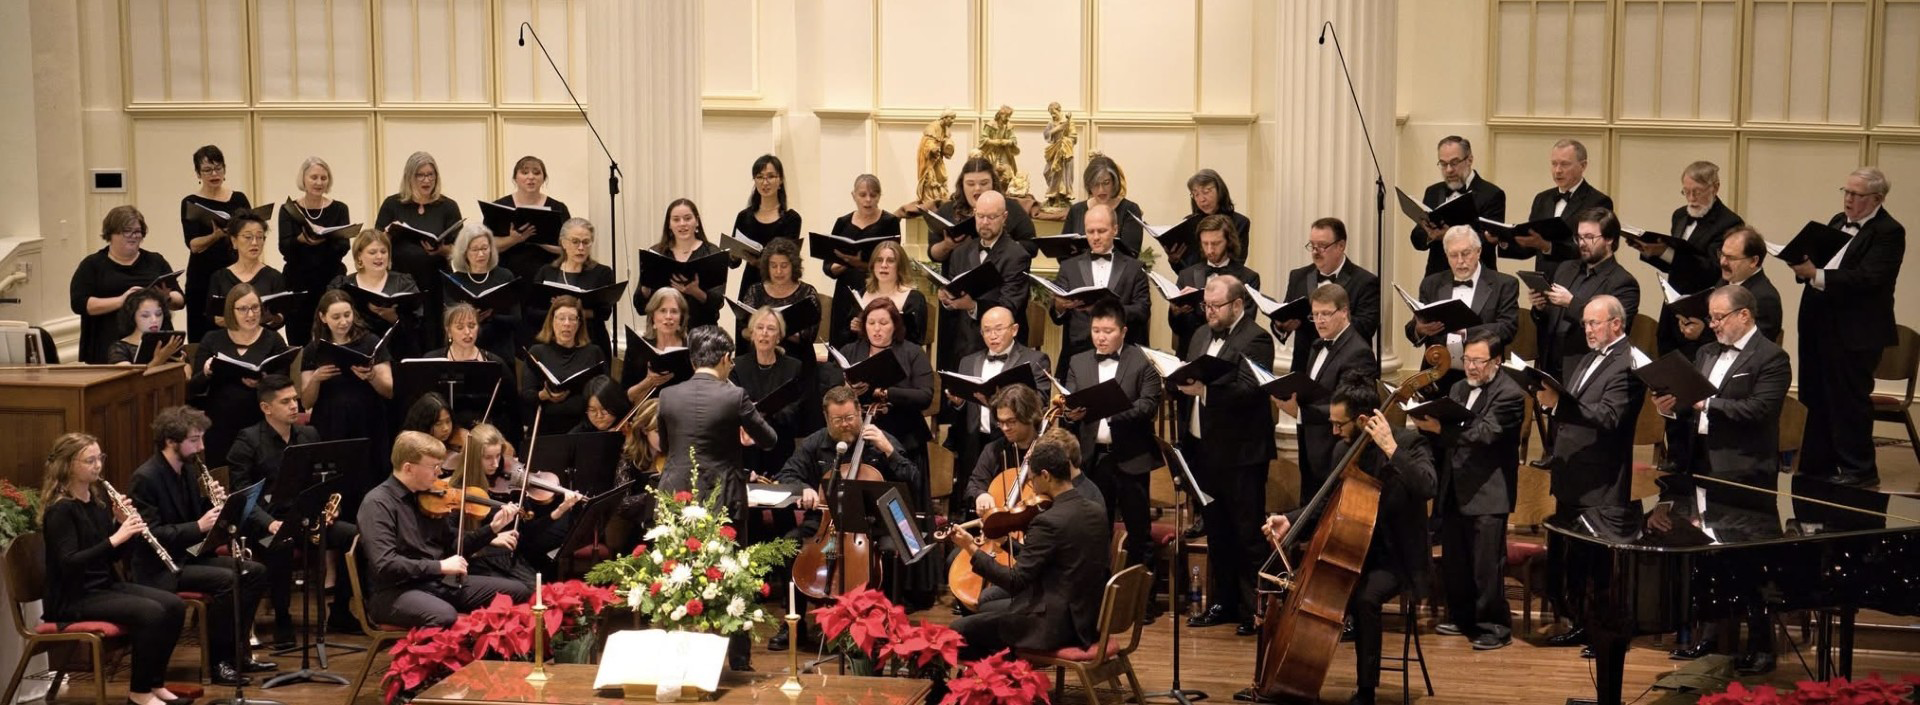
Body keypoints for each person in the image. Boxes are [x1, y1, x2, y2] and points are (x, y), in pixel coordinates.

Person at [1261, 372, 1436, 705]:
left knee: (1365, 598)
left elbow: (1427, 486)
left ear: (1362, 419)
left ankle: (1366, 690)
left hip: (1398, 558)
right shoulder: (1343, 450)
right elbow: (1327, 502)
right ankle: (1294, 677)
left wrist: (1391, 449)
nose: (1334, 431)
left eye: (1339, 424)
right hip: (1356, 551)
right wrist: (1291, 520)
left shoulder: (1411, 444)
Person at [1650, 285, 1791, 673]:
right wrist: (1670, 406)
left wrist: (1707, 402)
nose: (1711, 325)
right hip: (1702, 465)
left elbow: (1761, 410)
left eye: (1718, 317)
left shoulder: (1772, 357)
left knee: (1750, 562)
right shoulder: (1707, 352)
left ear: (1744, 315)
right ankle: (1708, 636)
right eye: (1710, 317)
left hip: (1745, 473)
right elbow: (1690, 406)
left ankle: (1762, 646)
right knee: (1707, 555)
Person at [1529, 295, 1647, 649]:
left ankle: (1605, 635)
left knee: (1600, 564)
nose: (1588, 329)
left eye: (1594, 323)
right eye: (1584, 324)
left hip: (1601, 478)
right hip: (1573, 474)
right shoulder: (1587, 358)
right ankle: (1582, 624)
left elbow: (1610, 417)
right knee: (1575, 561)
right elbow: (1576, 406)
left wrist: (1559, 404)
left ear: (1616, 324)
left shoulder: (1629, 364)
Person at [38, 433, 190, 705]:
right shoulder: (60, 511)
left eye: (100, 458)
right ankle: (139, 693)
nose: (98, 465)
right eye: (90, 460)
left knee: (174, 605)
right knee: (151, 612)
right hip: (73, 597)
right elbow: (69, 563)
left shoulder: (95, 503)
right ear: (69, 465)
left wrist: (123, 529)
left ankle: (155, 683)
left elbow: (112, 557)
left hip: (103, 586)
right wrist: (115, 537)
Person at [127, 406, 274, 685]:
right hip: (159, 568)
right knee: (228, 580)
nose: (201, 446)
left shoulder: (187, 470)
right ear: (171, 441)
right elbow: (150, 533)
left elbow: (197, 518)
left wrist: (216, 504)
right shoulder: (146, 478)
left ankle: (238, 654)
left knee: (254, 572)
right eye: (194, 440)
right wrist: (199, 525)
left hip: (187, 557)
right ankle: (219, 662)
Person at [770, 384, 920, 649]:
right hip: (826, 526)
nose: (846, 425)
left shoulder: (879, 439)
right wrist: (803, 488)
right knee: (788, 546)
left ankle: (882, 623)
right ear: (827, 418)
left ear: (860, 413)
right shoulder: (816, 443)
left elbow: (914, 480)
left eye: (850, 418)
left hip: (874, 525)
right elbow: (786, 475)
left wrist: (889, 451)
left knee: (892, 552)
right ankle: (794, 622)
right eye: (838, 420)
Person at [941, 439, 1110, 661]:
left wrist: (971, 548)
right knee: (989, 608)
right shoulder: (1095, 510)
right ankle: (1008, 679)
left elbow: (1014, 580)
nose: (1030, 483)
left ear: (1046, 475)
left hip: (1053, 627)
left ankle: (998, 687)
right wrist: (1003, 542)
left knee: (958, 630)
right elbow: (1047, 558)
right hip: (1086, 619)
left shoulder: (1049, 521)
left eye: (1032, 478)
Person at [1409, 329, 1525, 651]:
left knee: (1486, 566)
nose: (1471, 367)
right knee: (1456, 561)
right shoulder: (1459, 387)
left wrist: (1441, 429)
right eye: (1467, 359)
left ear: (1497, 361)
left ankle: (1494, 626)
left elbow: (1485, 434)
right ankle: (1461, 617)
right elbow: (1452, 431)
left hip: (1489, 491)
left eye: (1479, 361)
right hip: (1456, 486)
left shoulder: (1510, 394)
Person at [1790, 167, 1905, 489]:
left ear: (1878, 199)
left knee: (1848, 399)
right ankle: (1816, 464)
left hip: (1856, 330)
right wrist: (1802, 266)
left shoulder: (1889, 231)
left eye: (1857, 195)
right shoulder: (1837, 222)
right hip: (1818, 323)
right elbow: (1817, 263)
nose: (1849, 199)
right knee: (1814, 394)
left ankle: (1860, 469)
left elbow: (1870, 278)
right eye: (1846, 192)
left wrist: (1815, 274)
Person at [228, 375, 361, 644]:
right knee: (282, 543)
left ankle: (340, 610)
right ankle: (282, 617)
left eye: (295, 399)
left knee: (355, 536)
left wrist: (328, 506)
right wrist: (269, 523)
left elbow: (325, 478)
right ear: (266, 408)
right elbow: (242, 496)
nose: (294, 406)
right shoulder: (248, 441)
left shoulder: (308, 434)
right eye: (285, 401)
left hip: (305, 516)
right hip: (264, 524)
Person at [1177, 278, 1274, 633]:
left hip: (1242, 454)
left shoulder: (1256, 338)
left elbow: (1251, 388)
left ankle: (1255, 611)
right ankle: (1224, 602)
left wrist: (1204, 390)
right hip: (1204, 451)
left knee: (1247, 535)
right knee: (1217, 532)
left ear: (1237, 304)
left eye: (1215, 306)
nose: (1209, 312)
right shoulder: (1201, 335)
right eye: (1206, 305)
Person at [357, 430, 530, 628]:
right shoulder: (378, 503)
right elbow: (385, 565)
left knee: (518, 591)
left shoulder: (428, 497)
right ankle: (426, 658)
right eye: (434, 467)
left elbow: (453, 544)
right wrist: (439, 567)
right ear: (408, 468)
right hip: (394, 592)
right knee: (444, 616)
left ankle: (487, 651)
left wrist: (492, 529)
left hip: (435, 583)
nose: (440, 473)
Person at [1058, 300, 1160, 536]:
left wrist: (1110, 407)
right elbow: (1069, 400)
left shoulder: (1143, 360)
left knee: (1138, 529)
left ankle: (1140, 571)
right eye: (1096, 331)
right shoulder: (1078, 361)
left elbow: (1148, 405)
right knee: (1093, 528)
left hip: (1131, 457)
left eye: (1108, 331)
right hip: (1092, 459)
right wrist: (1070, 413)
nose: (1100, 338)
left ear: (1123, 331)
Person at [657, 325, 778, 522]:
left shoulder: (667, 395)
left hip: (675, 492)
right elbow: (769, 439)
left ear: (692, 360)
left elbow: (665, 446)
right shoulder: (736, 396)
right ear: (725, 359)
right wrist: (748, 436)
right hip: (722, 495)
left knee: (676, 552)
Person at [1628, 161, 1744, 355]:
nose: (1691, 198)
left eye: (1697, 192)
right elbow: (1675, 265)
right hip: (1672, 307)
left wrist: (1665, 252)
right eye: (1686, 191)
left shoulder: (1729, 222)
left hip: (1701, 310)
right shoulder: (1680, 216)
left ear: (1715, 187)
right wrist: (1651, 251)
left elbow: (1712, 269)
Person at [830, 299, 936, 505]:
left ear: (895, 325)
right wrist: (848, 390)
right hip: (860, 435)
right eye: (871, 323)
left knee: (904, 499)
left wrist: (885, 393)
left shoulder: (912, 352)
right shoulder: (850, 351)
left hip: (904, 434)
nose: (877, 329)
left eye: (883, 323)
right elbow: (830, 393)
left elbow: (925, 395)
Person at [299, 289, 396, 509]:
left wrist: (371, 376)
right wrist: (315, 379)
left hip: (367, 419)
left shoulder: (370, 341)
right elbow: (306, 402)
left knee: (370, 477)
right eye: (336, 317)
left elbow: (389, 390)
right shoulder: (314, 349)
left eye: (347, 315)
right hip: (331, 423)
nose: (343, 322)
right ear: (323, 318)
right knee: (337, 483)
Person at [941, 306, 1050, 501]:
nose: (993, 335)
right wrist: (958, 403)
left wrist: (996, 404)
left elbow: (1040, 403)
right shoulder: (968, 361)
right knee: (976, 498)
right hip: (974, 440)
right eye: (987, 330)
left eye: (999, 329)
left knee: (1011, 498)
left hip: (1013, 443)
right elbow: (962, 411)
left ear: (1014, 329)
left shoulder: (1035, 360)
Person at [1282, 284, 1379, 498]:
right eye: (1315, 314)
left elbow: (1351, 409)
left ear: (1344, 312)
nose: (1319, 320)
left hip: (1334, 449)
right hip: (1311, 444)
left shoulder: (1358, 352)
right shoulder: (1318, 344)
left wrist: (1299, 413)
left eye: (1326, 313)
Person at [459, 422, 584, 584]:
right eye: (488, 458)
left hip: (508, 554)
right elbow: (451, 536)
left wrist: (560, 510)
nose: (496, 464)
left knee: (539, 582)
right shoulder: (460, 487)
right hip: (479, 556)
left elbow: (527, 531)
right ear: (474, 457)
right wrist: (490, 538)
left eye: (498, 456)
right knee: (531, 588)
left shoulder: (508, 485)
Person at [1405, 226, 1521, 392]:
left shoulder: (1504, 284)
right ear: (1446, 255)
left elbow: (1507, 328)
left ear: (1478, 251)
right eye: (1453, 255)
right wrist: (1420, 330)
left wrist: (1465, 332)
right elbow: (1412, 330)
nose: (1460, 261)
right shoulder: (1431, 284)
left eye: (1466, 253)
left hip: (1484, 379)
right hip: (1438, 377)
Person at [928, 189, 1034, 370]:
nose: (985, 223)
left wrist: (972, 306)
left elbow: (1009, 306)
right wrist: (948, 299)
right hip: (965, 347)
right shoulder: (960, 252)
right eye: (980, 216)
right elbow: (954, 296)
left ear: (1004, 217)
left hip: (1003, 350)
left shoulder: (1017, 256)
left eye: (992, 217)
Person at [189, 283, 292, 467]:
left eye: (255, 308)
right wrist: (206, 372)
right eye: (243, 309)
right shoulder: (212, 339)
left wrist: (262, 382)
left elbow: (283, 382)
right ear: (231, 311)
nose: (250, 314)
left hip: (260, 423)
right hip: (220, 424)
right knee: (223, 479)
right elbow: (193, 389)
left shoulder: (273, 340)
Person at [1531, 207, 1640, 380]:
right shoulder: (1565, 268)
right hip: (1549, 363)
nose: (1582, 243)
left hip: (1585, 370)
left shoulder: (1623, 283)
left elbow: (1613, 331)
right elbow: (1550, 320)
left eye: (1589, 237)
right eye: (1579, 237)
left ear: (1609, 239)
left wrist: (1571, 303)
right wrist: (1539, 308)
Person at [1048, 203, 1152, 376]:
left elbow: (1142, 311)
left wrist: (1109, 311)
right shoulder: (1069, 267)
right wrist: (1059, 306)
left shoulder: (1134, 268)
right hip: (1078, 353)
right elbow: (1057, 318)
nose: (1095, 237)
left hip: (1124, 355)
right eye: (1090, 231)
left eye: (1102, 231)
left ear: (1115, 230)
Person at [70, 205, 184, 364]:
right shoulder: (92, 265)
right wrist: (122, 301)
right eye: (126, 231)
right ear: (111, 234)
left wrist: (165, 297)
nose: (133, 236)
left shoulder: (155, 261)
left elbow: (180, 300)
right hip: (108, 340)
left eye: (137, 232)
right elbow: (79, 304)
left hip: (153, 342)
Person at [375, 151, 463, 346]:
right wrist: (388, 234)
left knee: (433, 335)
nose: (426, 180)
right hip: (401, 282)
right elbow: (375, 243)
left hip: (435, 282)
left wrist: (441, 250)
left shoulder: (447, 206)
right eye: (420, 175)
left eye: (431, 174)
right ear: (409, 177)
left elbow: (460, 251)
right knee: (405, 337)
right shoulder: (393, 204)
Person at [1275, 218, 1380, 375]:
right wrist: (1282, 326)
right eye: (1312, 245)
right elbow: (1286, 313)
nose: (1315, 251)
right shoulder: (1298, 276)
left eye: (1322, 246)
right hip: (1303, 369)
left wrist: (1325, 320)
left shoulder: (1365, 281)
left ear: (1341, 246)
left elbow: (1365, 327)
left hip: (1345, 368)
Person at [1496, 138, 1614, 273]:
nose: (1557, 170)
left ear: (1583, 166)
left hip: (1578, 283)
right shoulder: (1542, 199)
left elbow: (1594, 249)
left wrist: (1548, 246)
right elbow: (1531, 246)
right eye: (1554, 164)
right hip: (1544, 283)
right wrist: (1503, 239)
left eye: (1565, 164)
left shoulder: (1598, 201)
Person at [423, 303, 524, 449]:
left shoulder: (495, 363)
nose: (467, 332)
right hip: (443, 436)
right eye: (460, 327)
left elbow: (512, 409)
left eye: (472, 326)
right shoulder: (432, 361)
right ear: (448, 331)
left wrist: (510, 444)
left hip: (488, 435)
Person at [736, 237, 819, 406]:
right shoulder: (755, 291)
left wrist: (776, 330)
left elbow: (809, 335)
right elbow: (743, 330)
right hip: (760, 363)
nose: (778, 271)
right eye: (773, 266)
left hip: (797, 362)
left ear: (793, 266)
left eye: (784, 266)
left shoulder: (807, 293)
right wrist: (759, 330)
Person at [492, 155, 572, 332]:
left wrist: (540, 241)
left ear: (544, 178)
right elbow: (488, 246)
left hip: (546, 276)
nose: (531, 177)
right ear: (515, 178)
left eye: (537, 173)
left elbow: (570, 248)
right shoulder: (500, 206)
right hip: (508, 276)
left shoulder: (558, 208)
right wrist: (514, 240)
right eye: (525, 172)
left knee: (541, 327)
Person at [279, 156, 352, 345]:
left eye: (323, 178)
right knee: (299, 337)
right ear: (303, 179)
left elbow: (344, 246)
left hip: (330, 280)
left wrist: (324, 238)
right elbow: (284, 247)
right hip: (298, 282)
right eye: (314, 177)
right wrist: (301, 240)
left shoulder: (339, 208)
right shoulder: (288, 210)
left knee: (332, 336)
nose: (319, 182)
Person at [181, 145, 252, 339]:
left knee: (236, 329)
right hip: (201, 275)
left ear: (225, 170)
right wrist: (215, 236)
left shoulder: (238, 198)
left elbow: (249, 233)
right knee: (201, 333)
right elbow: (194, 245)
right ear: (198, 173)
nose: (214, 173)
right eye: (207, 170)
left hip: (232, 272)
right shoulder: (191, 202)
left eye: (218, 168)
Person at [826, 175, 904, 348]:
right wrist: (845, 262)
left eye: (873, 195)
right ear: (853, 195)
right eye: (862, 195)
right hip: (845, 293)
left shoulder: (889, 222)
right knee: (842, 344)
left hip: (875, 291)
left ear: (879, 196)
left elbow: (893, 260)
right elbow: (828, 267)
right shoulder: (842, 223)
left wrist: (860, 263)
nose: (868, 200)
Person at [1409, 136, 1505, 275]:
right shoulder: (1433, 192)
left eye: (1454, 163)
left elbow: (1489, 240)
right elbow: (1417, 241)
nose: (1448, 170)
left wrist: (1448, 235)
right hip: (1437, 280)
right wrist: (1429, 234)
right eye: (1443, 164)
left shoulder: (1492, 194)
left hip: (1479, 280)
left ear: (1469, 160)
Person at [1676, 226, 1783, 350]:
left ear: (1753, 261)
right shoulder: (1724, 282)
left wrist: (1702, 333)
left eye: (1731, 258)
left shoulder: (1765, 298)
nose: (1723, 262)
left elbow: (1752, 347)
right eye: (1722, 254)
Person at [730, 307, 805, 478]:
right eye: (759, 327)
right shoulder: (737, 366)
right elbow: (733, 405)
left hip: (779, 442)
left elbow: (794, 410)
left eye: (771, 329)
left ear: (778, 337)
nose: (764, 333)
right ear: (752, 334)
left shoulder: (793, 367)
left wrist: (760, 414)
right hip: (746, 445)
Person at [1168, 215, 1261, 353]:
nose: (1210, 250)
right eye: (1205, 244)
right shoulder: (1186, 275)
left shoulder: (1248, 278)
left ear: (1229, 242)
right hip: (1190, 352)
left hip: (1229, 354)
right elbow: (1177, 328)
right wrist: (1176, 312)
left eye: (1216, 243)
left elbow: (1244, 324)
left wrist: (1203, 301)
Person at [327, 229, 424, 360]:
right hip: (354, 351)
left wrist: (393, 317)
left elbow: (417, 323)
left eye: (383, 252)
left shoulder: (403, 283)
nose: (379, 256)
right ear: (359, 256)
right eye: (372, 252)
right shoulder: (342, 285)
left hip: (396, 352)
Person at [528, 217, 617, 359]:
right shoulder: (547, 272)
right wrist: (557, 311)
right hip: (552, 344)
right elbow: (531, 312)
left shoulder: (602, 273)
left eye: (586, 242)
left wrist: (577, 311)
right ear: (563, 243)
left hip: (591, 342)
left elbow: (605, 313)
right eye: (575, 242)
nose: (581, 248)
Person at [521, 296, 607, 436]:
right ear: (552, 321)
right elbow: (526, 395)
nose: (566, 324)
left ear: (579, 323)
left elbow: (605, 394)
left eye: (572, 318)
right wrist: (544, 395)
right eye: (561, 318)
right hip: (545, 427)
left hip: (584, 428)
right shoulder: (537, 352)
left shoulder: (593, 352)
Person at [634, 198, 725, 328]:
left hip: (701, 331)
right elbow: (640, 307)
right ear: (669, 225)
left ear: (697, 222)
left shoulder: (712, 252)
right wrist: (646, 289)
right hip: (664, 332)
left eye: (687, 218)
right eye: (676, 219)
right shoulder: (656, 253)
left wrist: (695, 291)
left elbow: (718, 303)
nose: (682, 224)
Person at [959, 384, 1049, 514]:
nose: (1005, 428)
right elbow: (974, 484)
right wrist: (981, 495)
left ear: (1029, 416)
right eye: (1000, 422)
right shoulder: (994, 450)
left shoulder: (1050, 450)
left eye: (1011, 421)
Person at [444, 222, 519, 364]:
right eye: (475, 249)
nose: (481, 254)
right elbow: (449, 320)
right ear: (464, 252)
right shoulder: (454, 280)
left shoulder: (505, 276)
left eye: (485, 248)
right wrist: (472, 318)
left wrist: (492, 316)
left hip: (500, 347)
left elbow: (516, 319)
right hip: (465, 349)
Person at [731, 155, 805, 297]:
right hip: (750, 285)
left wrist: (762, 261)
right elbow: (733, 264)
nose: (765, 182)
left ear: (780, 180)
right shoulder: (744, 217)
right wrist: (733, 256)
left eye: (770, 176)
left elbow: (789, 260)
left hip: (779, 286)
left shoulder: (792, 219)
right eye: (759, 177)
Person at [838, 240, 928, 349]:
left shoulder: (914, 299)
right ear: (873, 265)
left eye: (890, 261)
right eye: (879, 260)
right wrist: (854, 328)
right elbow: (846, 338)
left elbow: (916, 341)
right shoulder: (861, 294)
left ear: (900, 266)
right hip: (863, 357)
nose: (884, 265)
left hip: (898, 359)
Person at [207, 211, 286, 329]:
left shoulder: (274, 277)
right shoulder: (219, 277)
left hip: (264, 341)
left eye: (259, 237)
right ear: (234, 241)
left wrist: (272, 318)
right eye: (248, 237)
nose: (254, 243)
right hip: (228, 341)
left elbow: (282, 317)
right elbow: (213, 317)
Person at [1062, 154, 1146, 256]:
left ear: (1114, 182)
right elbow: (1063, 254)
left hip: (1118, 271)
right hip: (1080, 270)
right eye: (1095, 184)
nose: (1101, 190)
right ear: (1089, 185)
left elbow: (1131, 254)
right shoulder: (1076, 210)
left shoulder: (1130, 210)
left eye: (1106, 183)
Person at [623, 287, 691, 404]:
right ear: (653, 317)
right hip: (645, 415)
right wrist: (648, 381)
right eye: (662, 310)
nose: (668, 316)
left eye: (674, 311)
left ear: (681, 318)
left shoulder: (692, 349)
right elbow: (625, 397)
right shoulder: (637, 348)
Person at [1179, 169, 1253, 271]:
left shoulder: (1240, 222)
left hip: (1226, 283)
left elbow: (1237, 264)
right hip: (1193, 284)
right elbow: (1184, 271)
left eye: (1206, 192)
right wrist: (1175, 261)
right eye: (1196, 194)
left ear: (1220, 190)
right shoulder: (1189, 223)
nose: (1201, 199)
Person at [107, 287, 183, 366]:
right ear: (132, 317)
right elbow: (130, 378)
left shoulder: (168, 344)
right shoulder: (119, 348)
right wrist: (159, 360)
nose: (154, 320)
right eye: (145, 315)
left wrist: (182, 364)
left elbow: (187, 374)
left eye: (158, 314)